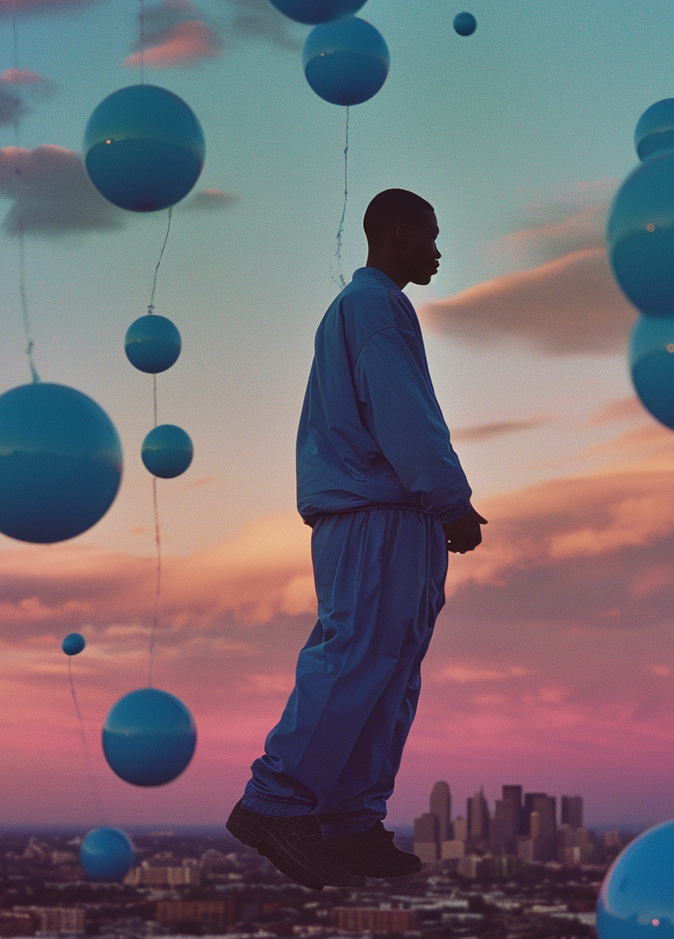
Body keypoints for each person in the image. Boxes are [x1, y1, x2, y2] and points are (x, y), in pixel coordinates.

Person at [227, 189, 485, 888]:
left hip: (391, 513)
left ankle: (350, 821)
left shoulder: (371, 308)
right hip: (378, 510)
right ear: (397, 235)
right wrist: (451, 500)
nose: (437, 250)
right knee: (358, 656)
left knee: (389, 671)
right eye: (430, 237)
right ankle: (275, 803)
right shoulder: (373, 308)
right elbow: (401, 412)